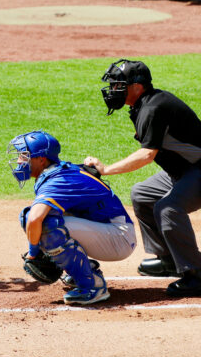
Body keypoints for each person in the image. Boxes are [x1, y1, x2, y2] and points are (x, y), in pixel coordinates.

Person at [84, 59, 201, 298]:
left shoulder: (154, 108)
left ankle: (196, 274)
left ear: (137, 87)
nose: (113, 90)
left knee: (168, 208)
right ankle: (169, 259)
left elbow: (147, 155)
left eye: (118, 85)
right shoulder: (142, 105)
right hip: (182, 171)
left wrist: (106, 169)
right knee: (142, 194)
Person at [8, 130, 137, 306]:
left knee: (45, 224)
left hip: (119, 237)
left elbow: (35, 220)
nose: (19, 161)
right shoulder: (57, 173)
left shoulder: (58, 180)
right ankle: (81, 270)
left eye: (24, 156)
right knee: (34, 217)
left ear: (41, 159)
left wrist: (33, 254)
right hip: (106, 230)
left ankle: (93, 286)